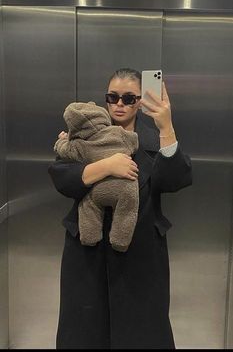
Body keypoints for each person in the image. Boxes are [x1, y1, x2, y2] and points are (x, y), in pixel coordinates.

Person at [48, 68, 192, 349]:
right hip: (87, 252)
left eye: (128, 98)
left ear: (140, 101)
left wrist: (167, 127)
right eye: (112, 97)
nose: (119, 105)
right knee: (85, 330)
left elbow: (177, 180)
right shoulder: (83, 134)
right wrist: (105, 167)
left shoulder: (154, 139)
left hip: (141, 255)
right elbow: (61, 177)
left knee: (142, 331)